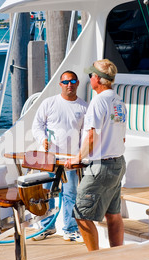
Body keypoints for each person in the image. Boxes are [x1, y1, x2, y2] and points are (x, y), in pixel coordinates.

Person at [65, 59, 127, 251]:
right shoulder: (118, 101)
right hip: (118, 164)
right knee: (113, 214)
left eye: (91, 75)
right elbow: (121, 137)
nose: (89, 78)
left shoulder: (98, 101)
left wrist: (77, 157)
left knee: (81, 215)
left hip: (100, 167)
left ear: (98, 79)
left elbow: (92, 136)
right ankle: (117, 256)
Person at [31, 70, 88, 241]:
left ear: (77, 83)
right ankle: (47, 227)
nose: (69, 84)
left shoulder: (84, 107)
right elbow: (37, 126)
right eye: (65, 82)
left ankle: (70, 229)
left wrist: (80, 156)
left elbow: (86, 135)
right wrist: (43, 140)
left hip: (70, 159)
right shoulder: (49, 103)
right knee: (46, 193)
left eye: (72, 81)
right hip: (48, 158)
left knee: (70, 193)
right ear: (60, 84)